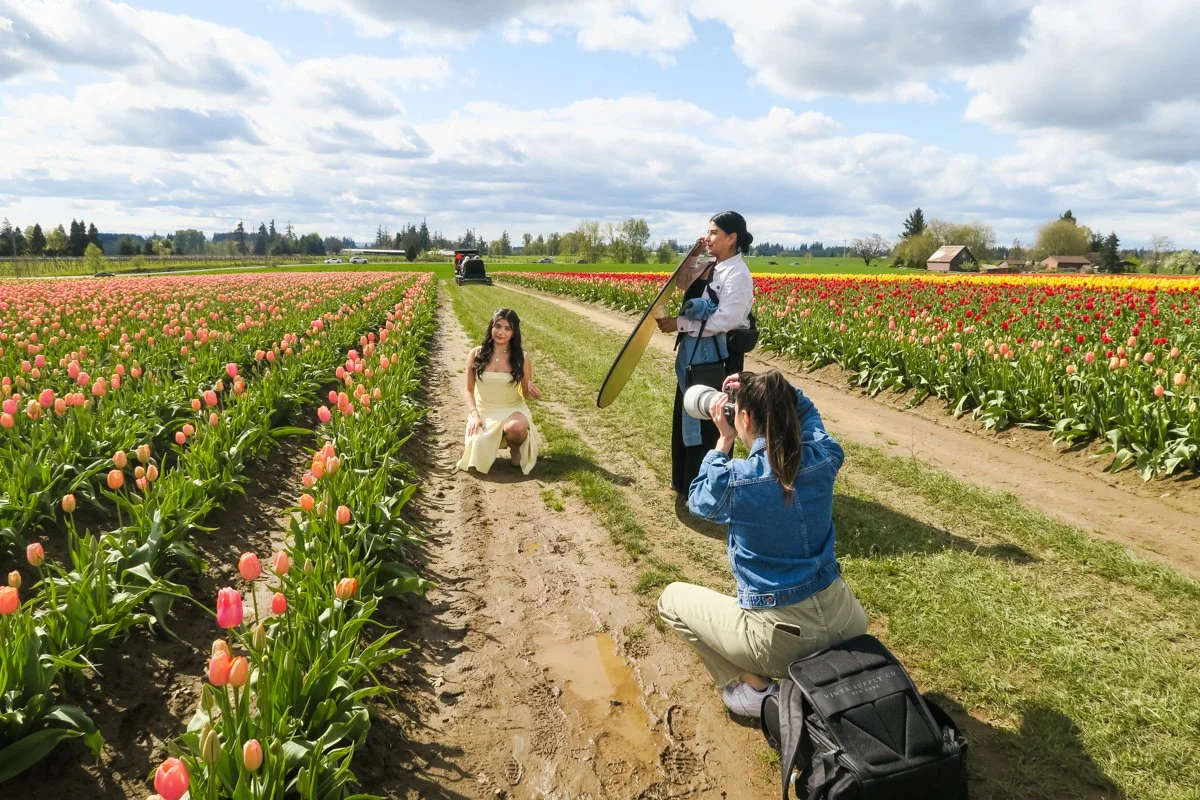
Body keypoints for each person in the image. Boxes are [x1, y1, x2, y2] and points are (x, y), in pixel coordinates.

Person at [657, 370, 868, 719]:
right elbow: (808, 410)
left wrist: (723, 441)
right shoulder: (824, 456)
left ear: (743, 417)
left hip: (785, 643)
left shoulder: (737, 481)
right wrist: (775, 388)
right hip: (847, 621)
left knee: (671, 600)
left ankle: (755, 691)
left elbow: (698, 499)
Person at [656, 211, 755, 494]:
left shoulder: (738, 274)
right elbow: (682, 283)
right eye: (708, 232)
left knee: (713, 420)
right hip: (694, 356)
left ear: (731, 238)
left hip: (720, 361)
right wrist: (693, 254)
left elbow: (726, 319)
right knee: (688, 411)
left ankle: (710, 488)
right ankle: (685, 481)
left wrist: (681, 323)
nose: (708, 237)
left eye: (714, 233)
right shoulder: (710, 264)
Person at [456, 308, 542, 475]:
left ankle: (515, 449)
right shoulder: (476, 354)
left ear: (513, 333)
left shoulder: (521, 358)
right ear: (491, 327)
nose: (501, 332)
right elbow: (467, 390)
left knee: (517, 429)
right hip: (485, 409)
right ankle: (484, 434)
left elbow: (526, 393)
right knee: (477, 450)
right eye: (498, 326)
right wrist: (475, 415)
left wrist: (535, 395)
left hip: (511, 408)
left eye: (507, 328)